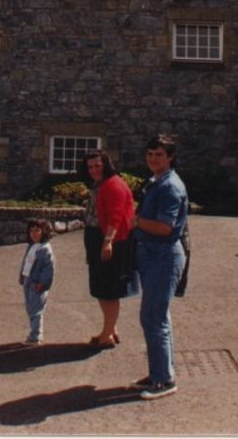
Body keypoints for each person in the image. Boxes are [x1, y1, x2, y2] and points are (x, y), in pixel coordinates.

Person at [130, 134, 188, 401]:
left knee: (153, 318)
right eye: (150, 154)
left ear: (170, 157)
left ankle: (164, 380)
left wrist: (136, 221)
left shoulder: (170, 187)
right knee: (155, 317)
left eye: (159, 155)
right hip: (153, 255)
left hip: (163, 256)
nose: (153, 159)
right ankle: (160, 372)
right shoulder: (157, 182)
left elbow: (165, 228)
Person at [80, 150, 139, 348]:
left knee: (108, 289)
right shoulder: (101, 184)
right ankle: (111, 330)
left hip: (107, 239)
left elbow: (116, 216)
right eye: (90, 167)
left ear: (106, 164)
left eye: (98, 165)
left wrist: (108, 241)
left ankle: (106, 335)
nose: (94, 170)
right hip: (97, 237)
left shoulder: (113, 184)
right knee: (101, 287)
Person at [19, 218, 55, 346]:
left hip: (37, 284)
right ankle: (33, 333)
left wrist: (43, 283)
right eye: (31, 231)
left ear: (44, 232)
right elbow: (26, 261)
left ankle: (35, 336)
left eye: (37, 230)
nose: (34, 233)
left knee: (36, 309)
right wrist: (22, 275)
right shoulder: (32, 246)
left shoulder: (45, 249)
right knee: (30, 307)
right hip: (28, 280)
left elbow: (48, 269)